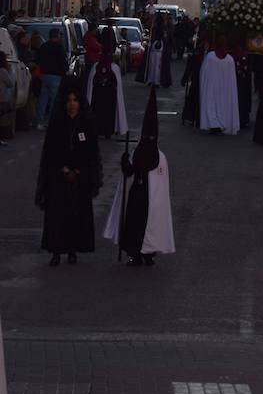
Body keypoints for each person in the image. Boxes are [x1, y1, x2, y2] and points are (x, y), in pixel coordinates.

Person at [35, 76, 102, 266]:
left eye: (75, 101)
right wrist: (64, 169)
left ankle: (73, 250)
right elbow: (52, 151)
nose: (72, 105)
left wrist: (78, 170)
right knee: (57, 214)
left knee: (76, 213)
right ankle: (56, 252)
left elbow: (90, 151)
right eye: (69, 101)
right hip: (58, 176)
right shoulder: (57, 122)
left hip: (79, 177)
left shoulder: (87, 123)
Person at [104, 87, 175, 267]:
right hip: (137, 197)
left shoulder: (159, 158)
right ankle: (136, 253)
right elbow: (130, 173)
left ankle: (147, 252)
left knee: (149, 222)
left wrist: (126, 164)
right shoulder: (141, 154)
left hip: (144, 199)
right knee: (136, 224)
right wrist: (125, 163)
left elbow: (160, 188)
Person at [86, 28, 128, 140]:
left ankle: (99, 129)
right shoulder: (113, 68)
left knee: (99, 111)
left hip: (100, 94)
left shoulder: (97, 67)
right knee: (108, 112)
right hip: (109, 94)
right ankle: (107, 130)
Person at [198, 36, 240, 135]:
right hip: (225, 89)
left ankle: (213, 123)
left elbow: (203, 72)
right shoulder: (229, 59)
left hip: (212, 87)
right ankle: (223, 122)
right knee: (223, 105)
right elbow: (232, 79)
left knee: (211, 103)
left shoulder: (210, 57)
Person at [34, 27, 68, 128]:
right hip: (56, 76)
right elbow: (63, 62)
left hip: (44, 75)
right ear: (57, 36)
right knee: (54, 101)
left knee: (42, 99)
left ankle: (38, 121)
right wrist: (65, 72)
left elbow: (38, 59)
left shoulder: (44, 46)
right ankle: (52, 122)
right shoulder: (59, 47)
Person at [137, 14, 172, 87]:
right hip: (156, 50)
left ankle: (154, 80)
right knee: (154, 66)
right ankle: (153, 80)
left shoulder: (160, 29)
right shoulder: (156, 28)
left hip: (158, 50)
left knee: (155, 66)